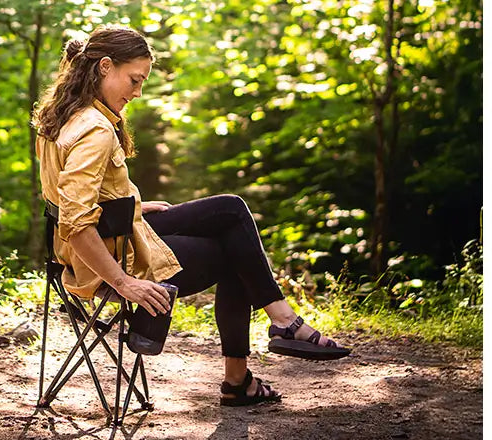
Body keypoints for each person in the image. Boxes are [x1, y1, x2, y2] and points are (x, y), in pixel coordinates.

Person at [31, 25, 351, 408]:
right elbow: (76, 221)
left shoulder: (62, 115)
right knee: (236, 254)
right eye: (134, 80)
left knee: (230, 210)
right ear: (104, 67)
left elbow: (68, 197)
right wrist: (124, 283)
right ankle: (256, 357)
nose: (137, 93)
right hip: (105, 259)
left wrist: (131, 205)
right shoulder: (95, 130)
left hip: (92, 244)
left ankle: (270, 337)